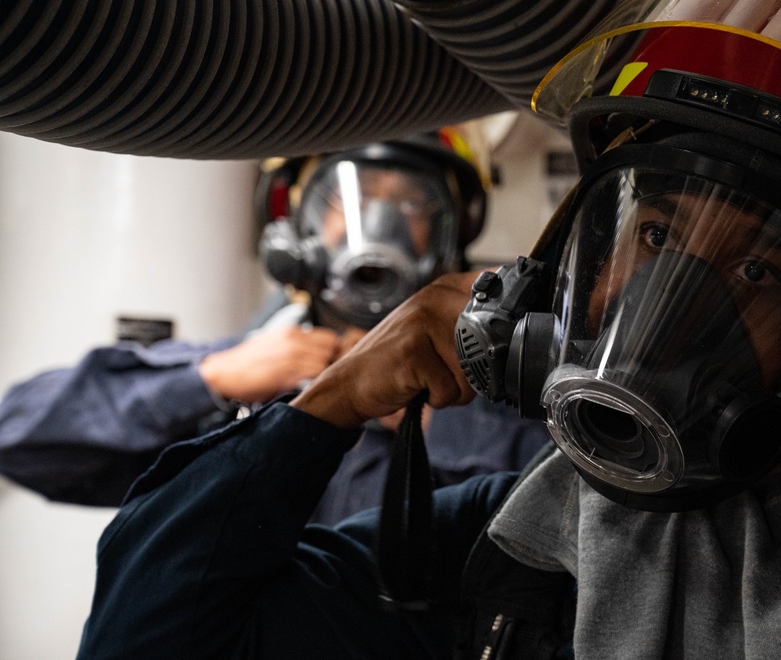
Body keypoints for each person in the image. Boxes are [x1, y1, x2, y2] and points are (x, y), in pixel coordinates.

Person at [76, 0, 781, 658]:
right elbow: (148, 632)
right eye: (653, 232)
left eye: (759, 269)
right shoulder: (502, 544)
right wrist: (331, 401)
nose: (672, 303)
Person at [0, 129, 550, 524]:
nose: (381, 224)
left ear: (452, 231)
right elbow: (22, 441)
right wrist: (207, 379)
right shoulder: (246, 378)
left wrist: (436, 425)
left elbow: (578, 507)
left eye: (411, 201)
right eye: (349, 198)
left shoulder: (505, 386)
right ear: (297, 219)